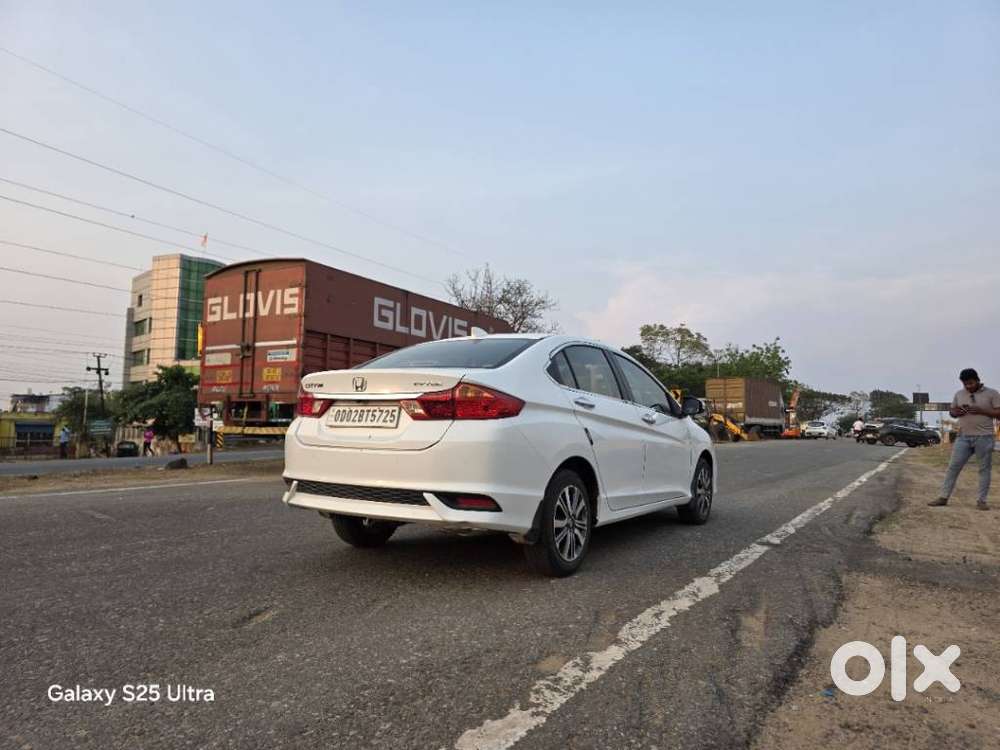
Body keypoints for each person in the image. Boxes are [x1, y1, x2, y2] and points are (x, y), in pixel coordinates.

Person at [929, 368, 1000, 510]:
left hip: (984, 437)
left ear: (978, 380)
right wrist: (956, 412)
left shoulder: (992, 393)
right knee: (953, 467)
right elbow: (952, 411)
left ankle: (981, 501)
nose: (968, 386)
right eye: (965, 384)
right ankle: (943, 497)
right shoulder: (959, 394)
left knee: (984, 469)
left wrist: (982, 410)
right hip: (963, 437)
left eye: (971, 383)